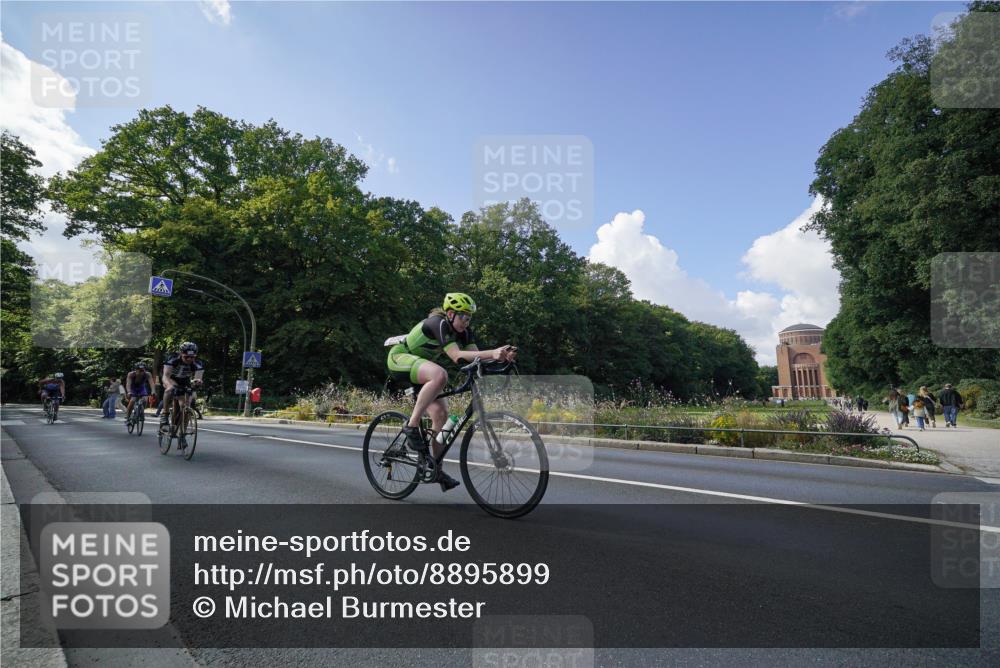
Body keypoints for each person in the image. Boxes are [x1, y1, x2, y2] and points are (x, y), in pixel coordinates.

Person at [386, 293, 517, 492]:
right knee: (440, 375)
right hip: (399, 359)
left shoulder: (464, 332)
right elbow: (456, 356)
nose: (466, 321)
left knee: (442, 415)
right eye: (463, 316)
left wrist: (502, 357)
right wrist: (493, 352)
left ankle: (435, 469)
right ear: (450, 314)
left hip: (421, 369)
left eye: (469, 318)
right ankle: (411, 426)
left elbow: (476, 358)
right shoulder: (437, 323)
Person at [159, 342, 205, 447]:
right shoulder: (172, 359)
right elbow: (166, 376)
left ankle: (182, 434)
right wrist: (169, 385)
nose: (189, 359)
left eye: (192, 357)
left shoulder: (198, 364)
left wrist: (197, 384)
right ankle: (165, 414)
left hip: (185, 381)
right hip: (171, 378)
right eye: (186, 356)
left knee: (186, 406)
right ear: (181, 354)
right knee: (170, 389)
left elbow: (197, 380)